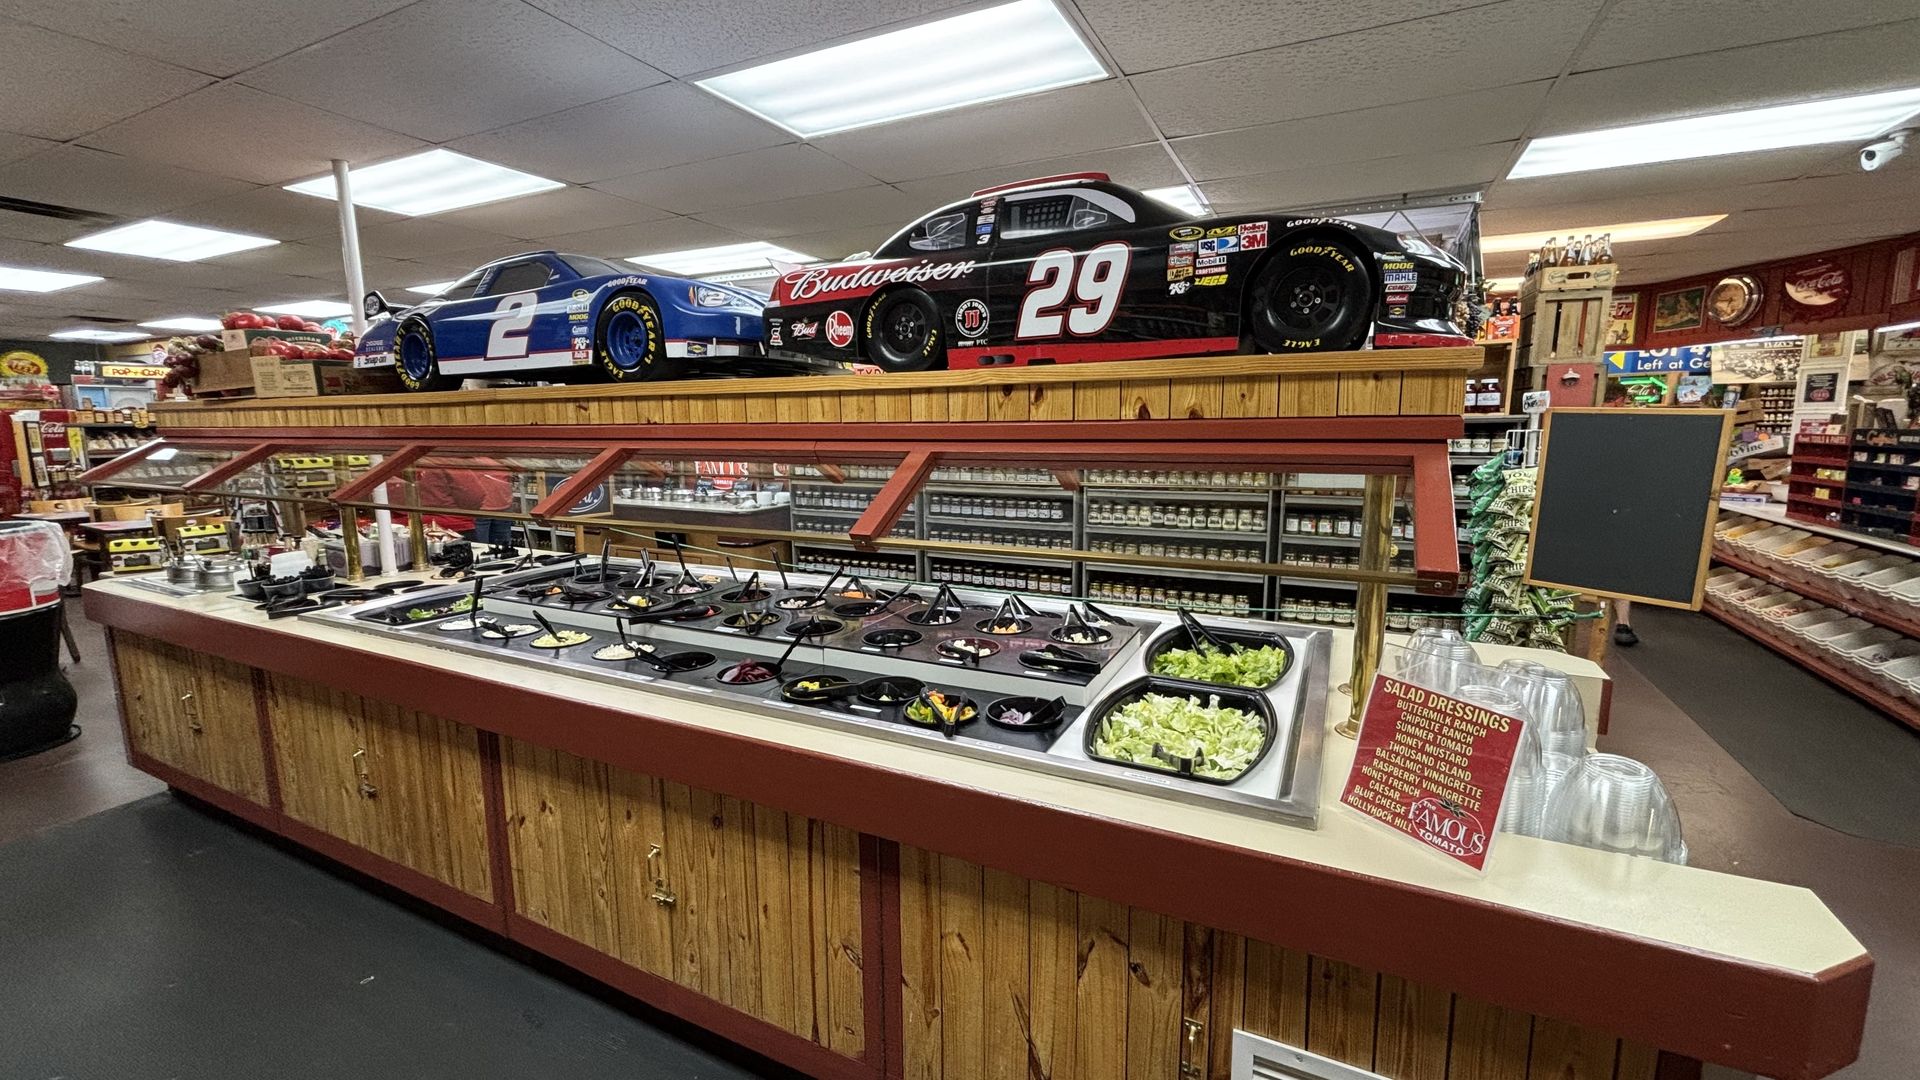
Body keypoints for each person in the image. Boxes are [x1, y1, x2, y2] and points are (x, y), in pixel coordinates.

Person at [412, 465, 514, 545]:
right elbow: (474, 495)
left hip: (499, 506)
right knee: (482, 552)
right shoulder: (450, 461)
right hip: (457, 523)